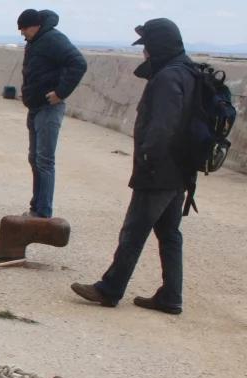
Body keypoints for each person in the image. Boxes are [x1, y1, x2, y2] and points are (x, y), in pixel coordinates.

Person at [71, 19, 197, 315]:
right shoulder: (189, 71)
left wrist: (147, 160)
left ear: (157, 47)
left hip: (159, 170)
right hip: (180, 170)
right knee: (169, 233)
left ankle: (109, 289)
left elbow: (162, 126)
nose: (144, 54)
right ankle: (171, 296)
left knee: (134, 231)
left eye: (146, 47)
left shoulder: (168, 78)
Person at [18, 9, 87, 218]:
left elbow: (79, 63)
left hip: (49, 108)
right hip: (36, 106)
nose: (22, 33)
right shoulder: (35, 42)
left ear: (35, 25)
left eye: (24, 29)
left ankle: (43, 211)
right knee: (34, 158)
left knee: (44, 160)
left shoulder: (53, 39)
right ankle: (36, 206)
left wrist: (60, 92)